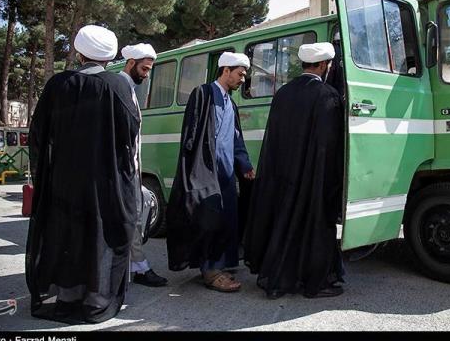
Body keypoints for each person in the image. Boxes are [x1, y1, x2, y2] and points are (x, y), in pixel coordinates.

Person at [26, 25, 140, 324]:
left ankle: (66, 298)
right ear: (109, 57)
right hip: (105, 184)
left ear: (79, 54)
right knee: (99, 240)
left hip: (64, 182)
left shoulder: (57, 84)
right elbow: (130, 134)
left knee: (67, 238)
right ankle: (95, 301)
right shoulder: (118, 85)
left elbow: (38, 134)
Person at [244, 42, 345, 300]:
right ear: (323, 66)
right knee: (313, 226)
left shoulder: (283, 93)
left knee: (284, 224)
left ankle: (281, 276)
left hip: (282, 177)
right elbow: (329, 146)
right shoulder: (327, 95)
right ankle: (314, 281)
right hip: (311, 177)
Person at [166, 52, 255, 293]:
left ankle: (220, 263)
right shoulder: (203, 94)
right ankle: (211, 271)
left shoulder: (231, 103)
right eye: (239, 74)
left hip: (226, 175)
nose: (242, 80)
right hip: (205, 172)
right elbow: (192, 135)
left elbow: (236, 139)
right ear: (226, 70)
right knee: (208, 219)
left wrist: (245, 165)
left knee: (226, 220)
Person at [119, 43, 168, 287]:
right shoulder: (119, 88)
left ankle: (134, 265)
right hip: (122, 170)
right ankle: (139, 267)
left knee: (139, 214)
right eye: (144, 69)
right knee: (132, 218)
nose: (146, 75)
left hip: (132, 169)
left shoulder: (129, 89)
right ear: (130, 64)